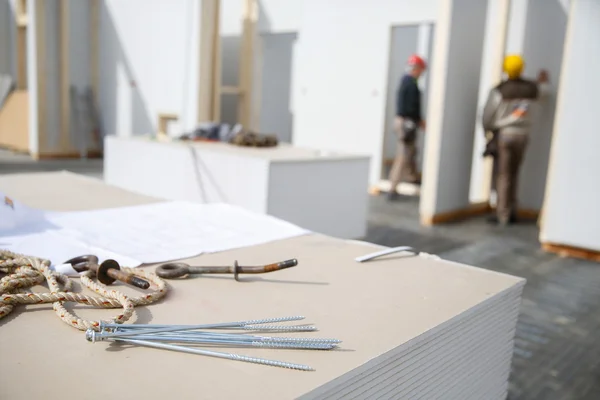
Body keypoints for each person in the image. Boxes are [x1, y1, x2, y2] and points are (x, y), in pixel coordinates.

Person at [481, 54, 550, 225]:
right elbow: (544, 90)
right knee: (515, 173)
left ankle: (502, 214)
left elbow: (487, 116)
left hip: (505, 135)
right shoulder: (531, 89)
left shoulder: (500, 90)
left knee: (503, 175)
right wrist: (541, 81)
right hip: (523, 135)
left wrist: (487, 131)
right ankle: (512, 210)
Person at [387, 54, 427, 201]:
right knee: (403, 155)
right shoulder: (410, 84)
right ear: (416, 68)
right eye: (421, 70)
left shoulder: (407, 82)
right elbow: (410, 108)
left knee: (411, 151)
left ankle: (412, 177)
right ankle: (393, 187)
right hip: (406, 123)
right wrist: (419, 120)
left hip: (405, 122)